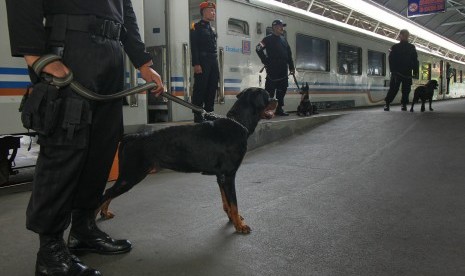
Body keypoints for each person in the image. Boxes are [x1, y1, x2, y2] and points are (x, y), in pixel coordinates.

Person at [5, 1, 164, 275]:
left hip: (111, 50)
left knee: (100, 148)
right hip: (70, 46)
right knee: (65, 147)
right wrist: (35, 54)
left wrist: (142, 61)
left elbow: (125, 8)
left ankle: (83, 229)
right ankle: (50, 252)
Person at [256, 19, 295, 116]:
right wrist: (266, 61)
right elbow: (258, 48)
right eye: (280, 26)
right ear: (274, 27)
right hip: (273, 69)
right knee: (270, 90)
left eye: (282, 26)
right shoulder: (267, 39)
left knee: (282, 89)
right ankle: (266, 110)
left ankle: (279, 109)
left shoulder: (284, 40)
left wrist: (291, 67)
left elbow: (289, 55)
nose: (282, 28)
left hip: (283, 70)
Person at [190, 1, 219, 123]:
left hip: (213, 60)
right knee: (200, 88)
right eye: (210, 10)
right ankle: (197, 114)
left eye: (214, 11)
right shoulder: (195, 27)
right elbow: (194, 46)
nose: (213, 13)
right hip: (202, 61)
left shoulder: (212, 29)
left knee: (212, 86)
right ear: (203, 12)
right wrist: (196, 64)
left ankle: (209, 112)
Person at [384, 29, 419, 111]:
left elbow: (415, 60)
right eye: (404, 35)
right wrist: (393, 70)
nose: (405, 37)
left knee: (404, 90)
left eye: (406, 36)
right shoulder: (396, 47)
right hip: (399, 72)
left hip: (404, 72)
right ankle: (388, 104)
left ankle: (401, 104)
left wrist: (415, 71)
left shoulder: (410, 47)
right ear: (400, 36)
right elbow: (391, 59)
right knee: (395, 89)